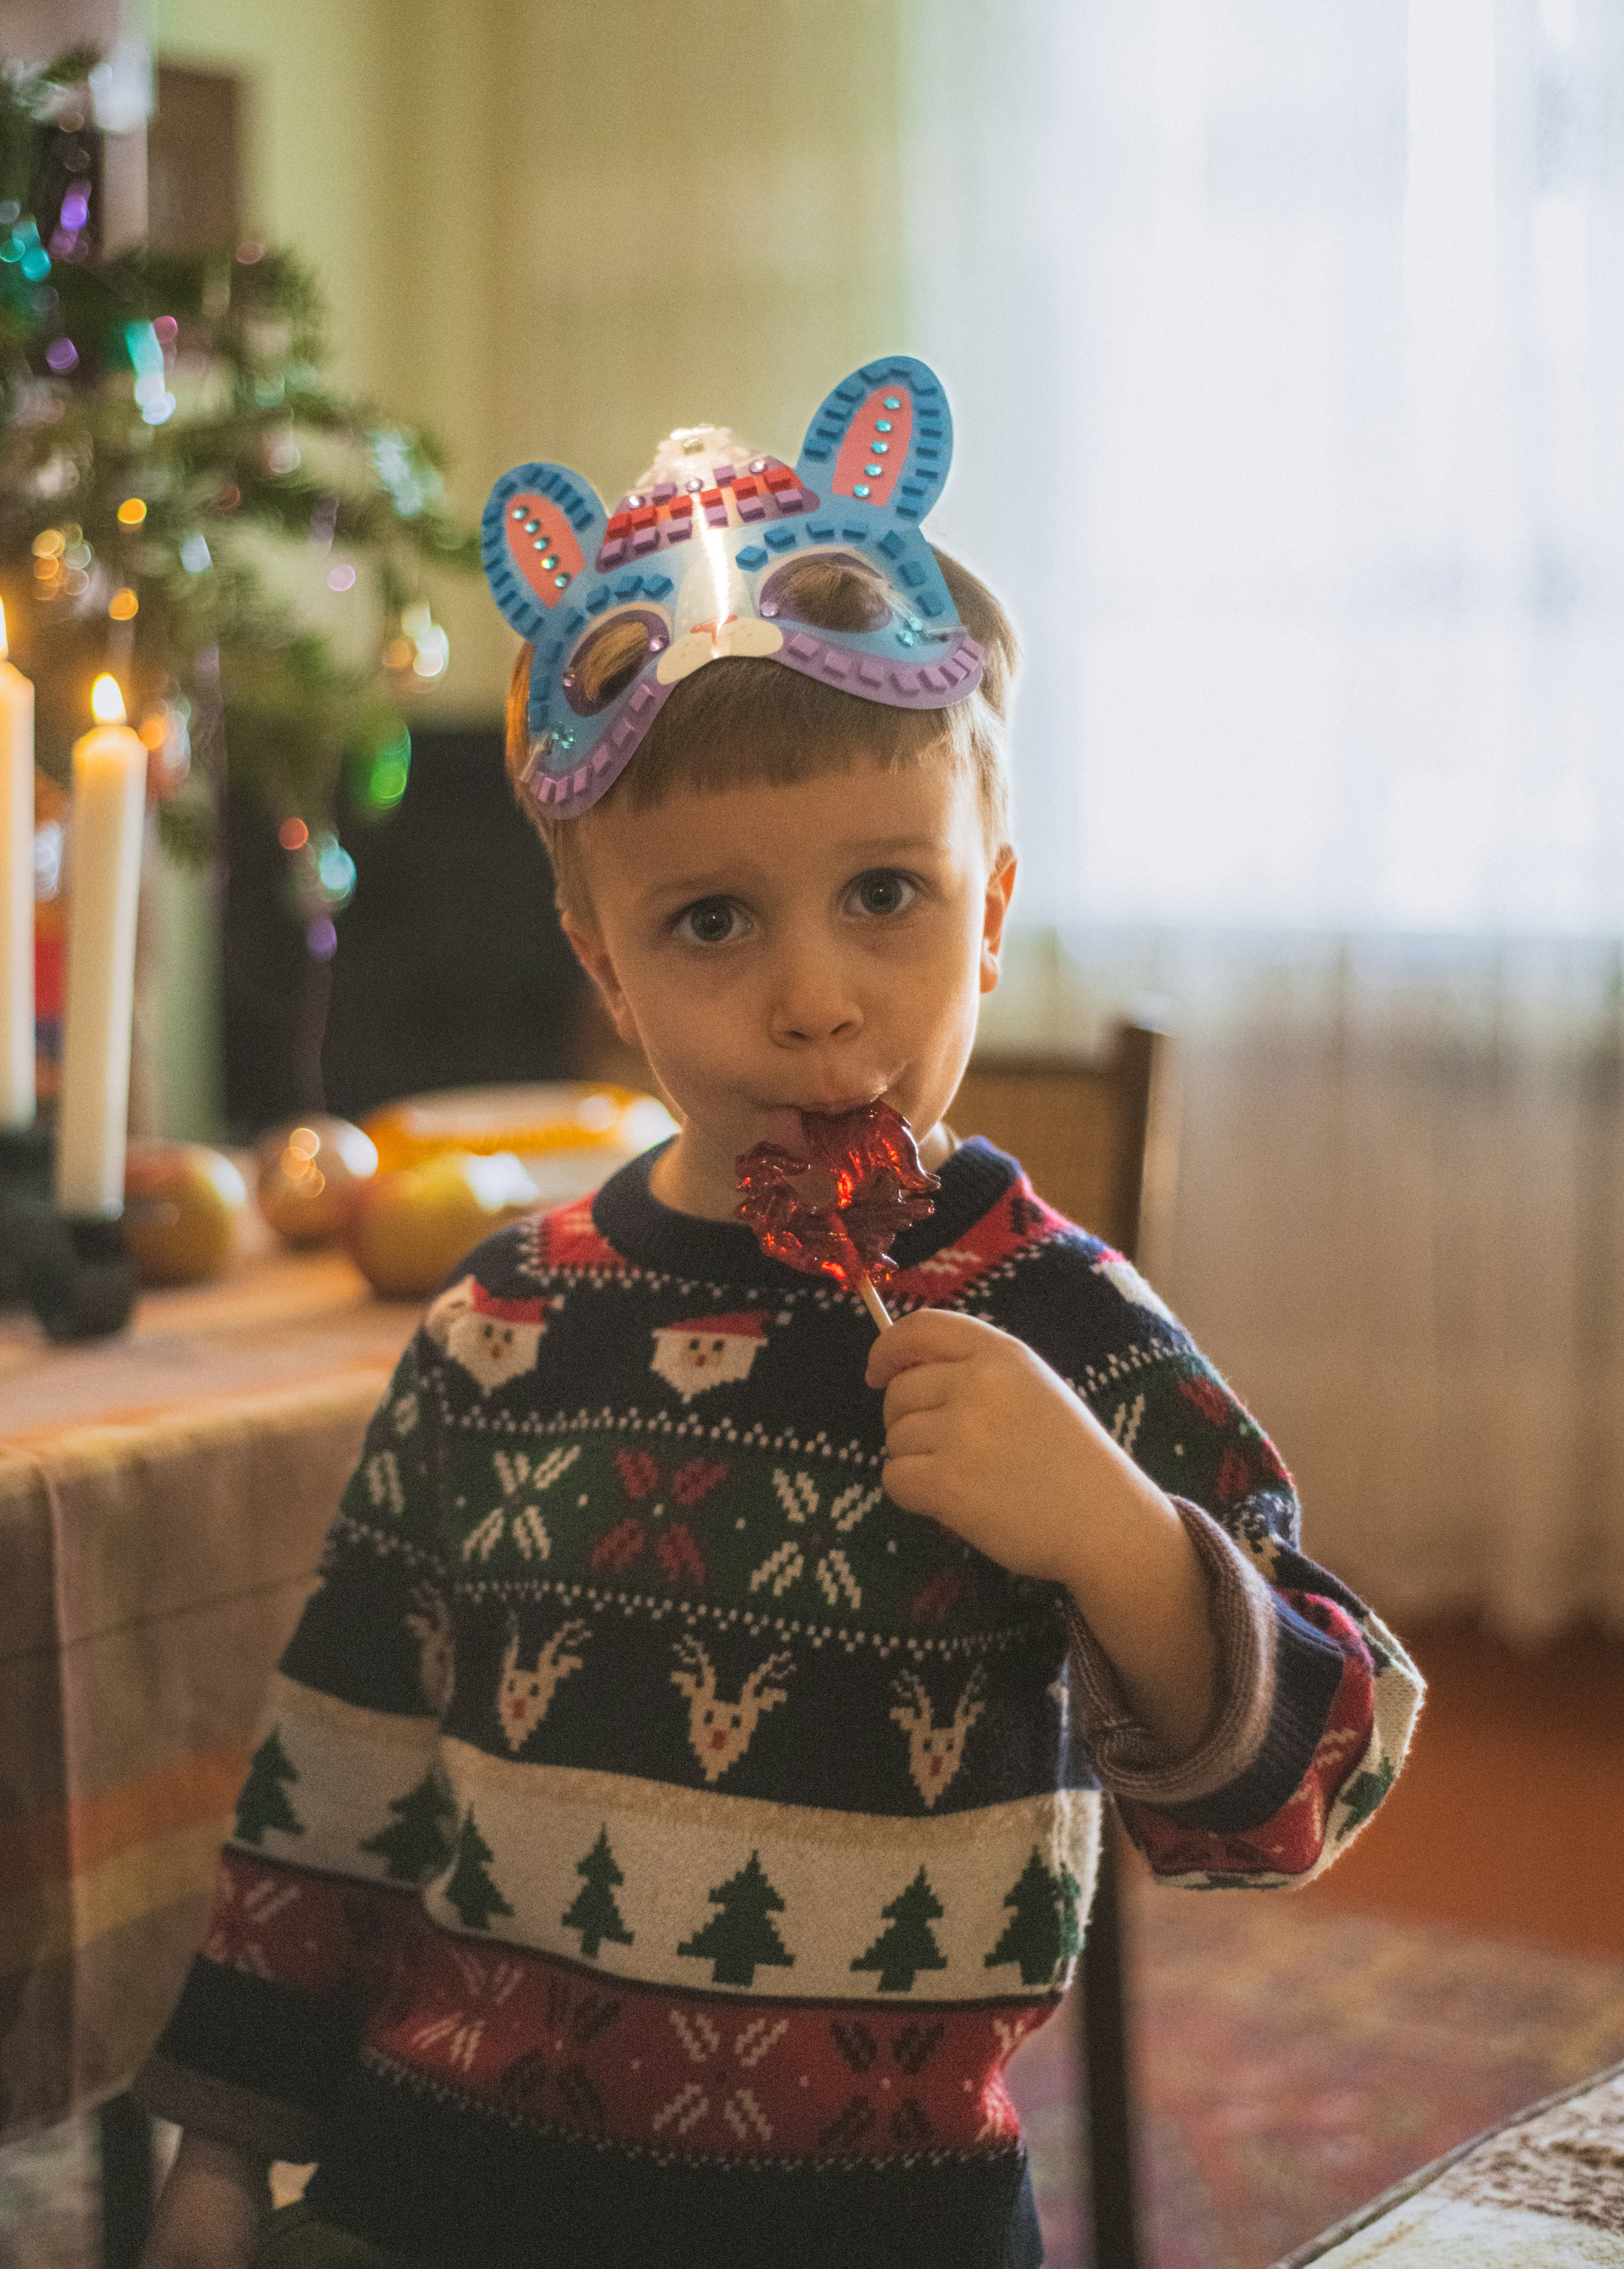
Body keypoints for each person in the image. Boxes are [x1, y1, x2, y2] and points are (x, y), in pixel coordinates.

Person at [136, 362, 1422, 2269]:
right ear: (604, 968)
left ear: (990, 910)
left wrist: (1116, 1540)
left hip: (873, 2222)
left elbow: (1326, 1768)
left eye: (885, 894)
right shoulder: (499, 1325)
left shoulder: (1063, 1324)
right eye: (711, 924)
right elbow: (339, 1761)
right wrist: (229, 2152)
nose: (814, 1002)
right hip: (430, 2198)